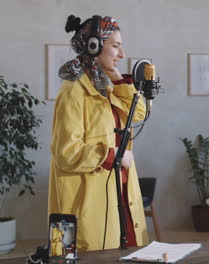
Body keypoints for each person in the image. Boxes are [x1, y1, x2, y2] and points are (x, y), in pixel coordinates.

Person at [48, 15, 148, 251]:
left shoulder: (106, 87)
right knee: (96, 252)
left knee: (128, 251)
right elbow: (65, 152)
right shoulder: (73, 91)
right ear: (93, 46)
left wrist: (117, 77)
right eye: (115, 46)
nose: (121, 54)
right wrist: (112, 155)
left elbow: (139, 113)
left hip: (119, 191)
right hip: (89, 201)